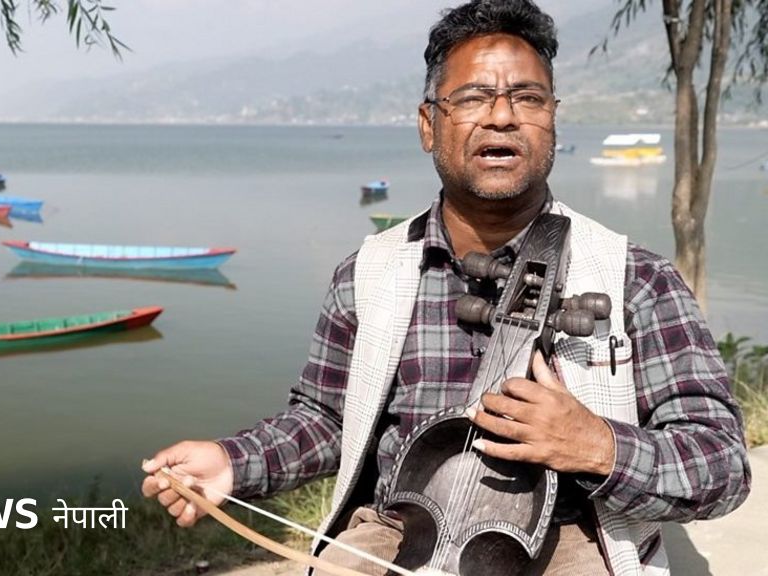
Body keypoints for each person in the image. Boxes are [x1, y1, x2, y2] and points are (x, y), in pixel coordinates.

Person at [141, 1, 751, 574]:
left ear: (552, 120)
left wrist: (596, 446)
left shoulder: (634, 277)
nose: (502, 116)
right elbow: (328, 419)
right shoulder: (368, 274)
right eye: (474, 97)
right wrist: (232, 463)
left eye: (527, 98)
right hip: (397, 531)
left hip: (573, 536)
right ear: (428, 125)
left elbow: (721, 463)